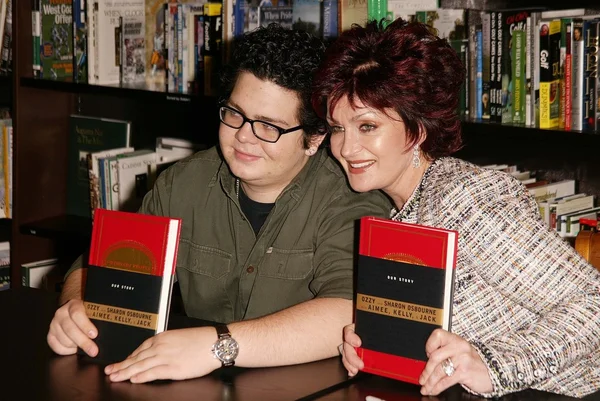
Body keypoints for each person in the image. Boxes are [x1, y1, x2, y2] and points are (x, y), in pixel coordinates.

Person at [47, 24, 391, 383]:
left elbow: (347, 312)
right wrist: (74, 307)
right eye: (234, 114)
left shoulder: (350, 198)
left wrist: (217, 346)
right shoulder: (183, 183)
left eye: (268, 127)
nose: (244, 136)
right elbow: (99, 266)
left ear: (315, 137)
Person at [312, 18, 600, 398]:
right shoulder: (397, 210)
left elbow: (593, 304)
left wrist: (495, 364)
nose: (346, 149)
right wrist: (375, 344)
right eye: (337, 128)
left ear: (416, 130)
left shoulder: (465, 198)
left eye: (367, 126)